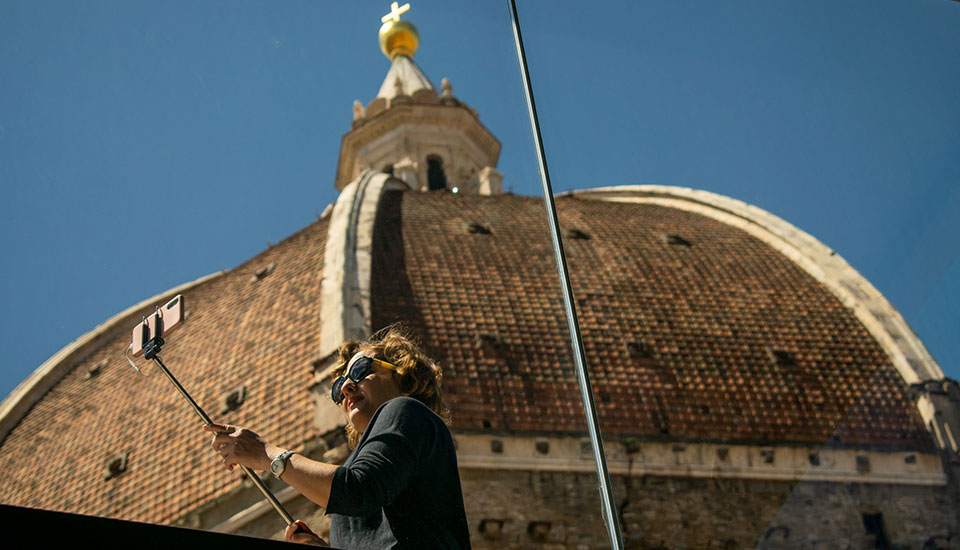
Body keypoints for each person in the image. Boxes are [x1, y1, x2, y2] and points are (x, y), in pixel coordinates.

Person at [204, 327, 471, 549]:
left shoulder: (405, 409)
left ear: (403, 374)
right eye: (338, 387)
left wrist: (266, 453)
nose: (345, 387)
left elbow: (357, 491)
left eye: (361, 371)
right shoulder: (356, 468)